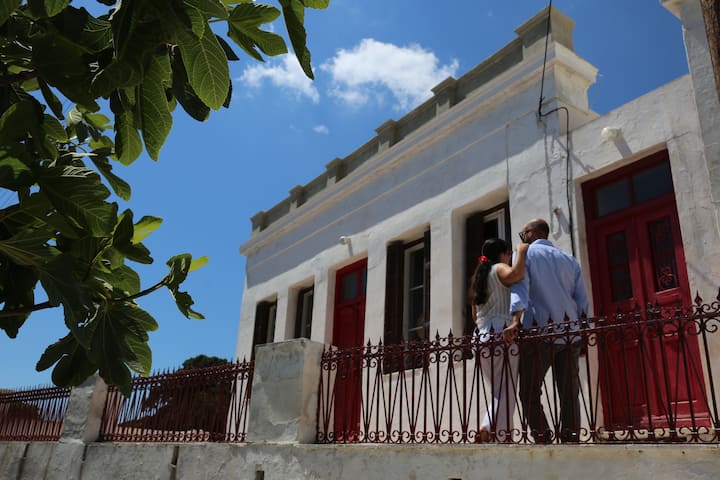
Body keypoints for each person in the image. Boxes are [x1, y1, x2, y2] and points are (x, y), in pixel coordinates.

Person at [510, 218, 589, 443]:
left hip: (539, 333)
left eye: (522, 232)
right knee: (569, 393)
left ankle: (543, 438)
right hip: (569, 332)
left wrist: (516, 319)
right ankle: (570, 439)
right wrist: (583, 333)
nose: (522, 237)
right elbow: (582, 299)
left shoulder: (525, 254)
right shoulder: (569, 259)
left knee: (529, 392)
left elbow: (519, 288)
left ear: (532, 233)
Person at [470, 237, 528, 443]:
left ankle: (500, 435)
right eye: (508, 253)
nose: (509, 256)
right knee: (508, 389)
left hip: (481, 338)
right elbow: (516, 274)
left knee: (499, 390)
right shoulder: (498, 269)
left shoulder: (479, 278)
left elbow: (474, 315)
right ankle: (493, 430)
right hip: (502, 335)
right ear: (502, 254)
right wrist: (521, 251)